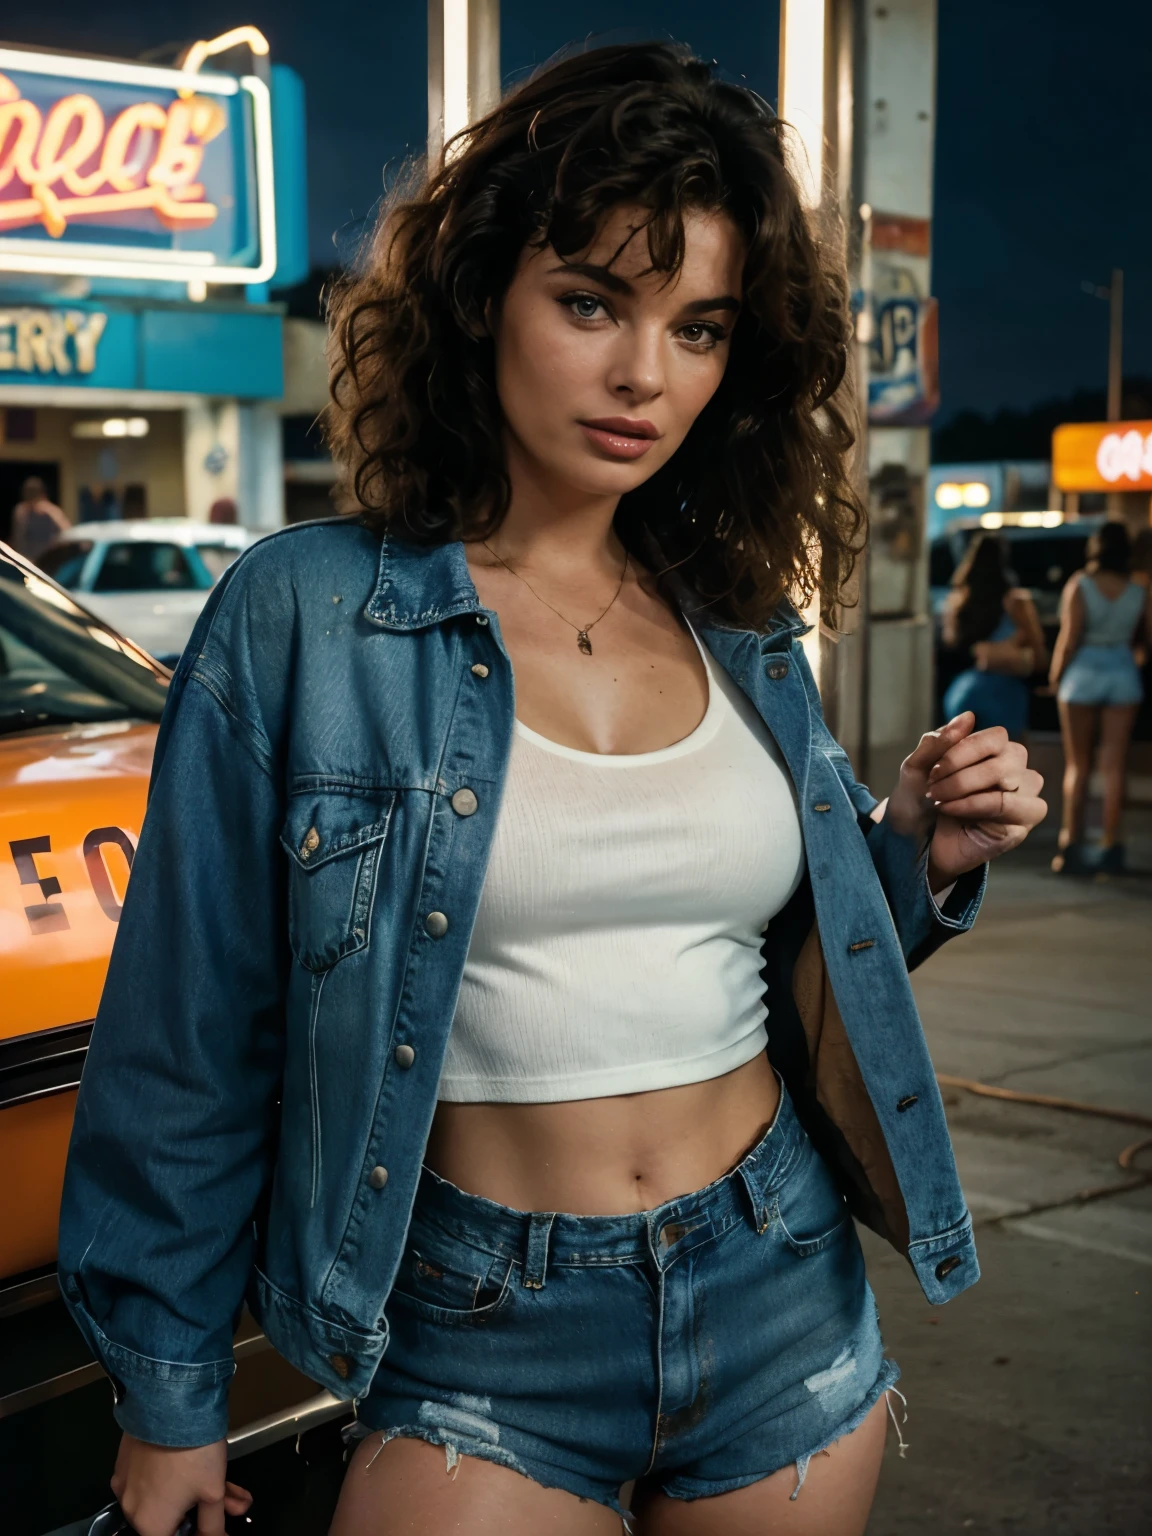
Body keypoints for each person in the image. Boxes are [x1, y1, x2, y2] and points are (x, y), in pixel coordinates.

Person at [58, 44, 1046, 1536]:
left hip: (780, 1276)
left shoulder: (741, 624)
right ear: (480, 299)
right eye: (591, 302)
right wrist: (169, 1395)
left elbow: (776, 960)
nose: (646, 374)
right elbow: (188, 1037)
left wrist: (918, 852)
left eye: (698, 327)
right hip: (478, 1326)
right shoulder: (306, 617)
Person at [1049, 521, 1149, 875]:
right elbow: (1144, 641)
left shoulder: (1080, 585)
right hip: (1122, 674)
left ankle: (1070, 844)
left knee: (1078, 764)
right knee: (1114, 766)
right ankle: (1111, 844)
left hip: (1082, 676)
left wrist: (1055, 676)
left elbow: (1070, 637)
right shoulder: (1139, 589)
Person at [940, 532, 1046, 739]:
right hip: (1005, 695)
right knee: (1010, 763)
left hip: (963, 694)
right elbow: (1039, 652)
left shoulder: (959, 601)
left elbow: (951, 643)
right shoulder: (1016, 602)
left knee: (966, 764)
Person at [9, 475, 69, 563]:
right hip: (27, 560)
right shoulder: (21, 511)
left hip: (47, 560)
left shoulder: (51, 511)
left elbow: (66, 532)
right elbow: (18, 539)